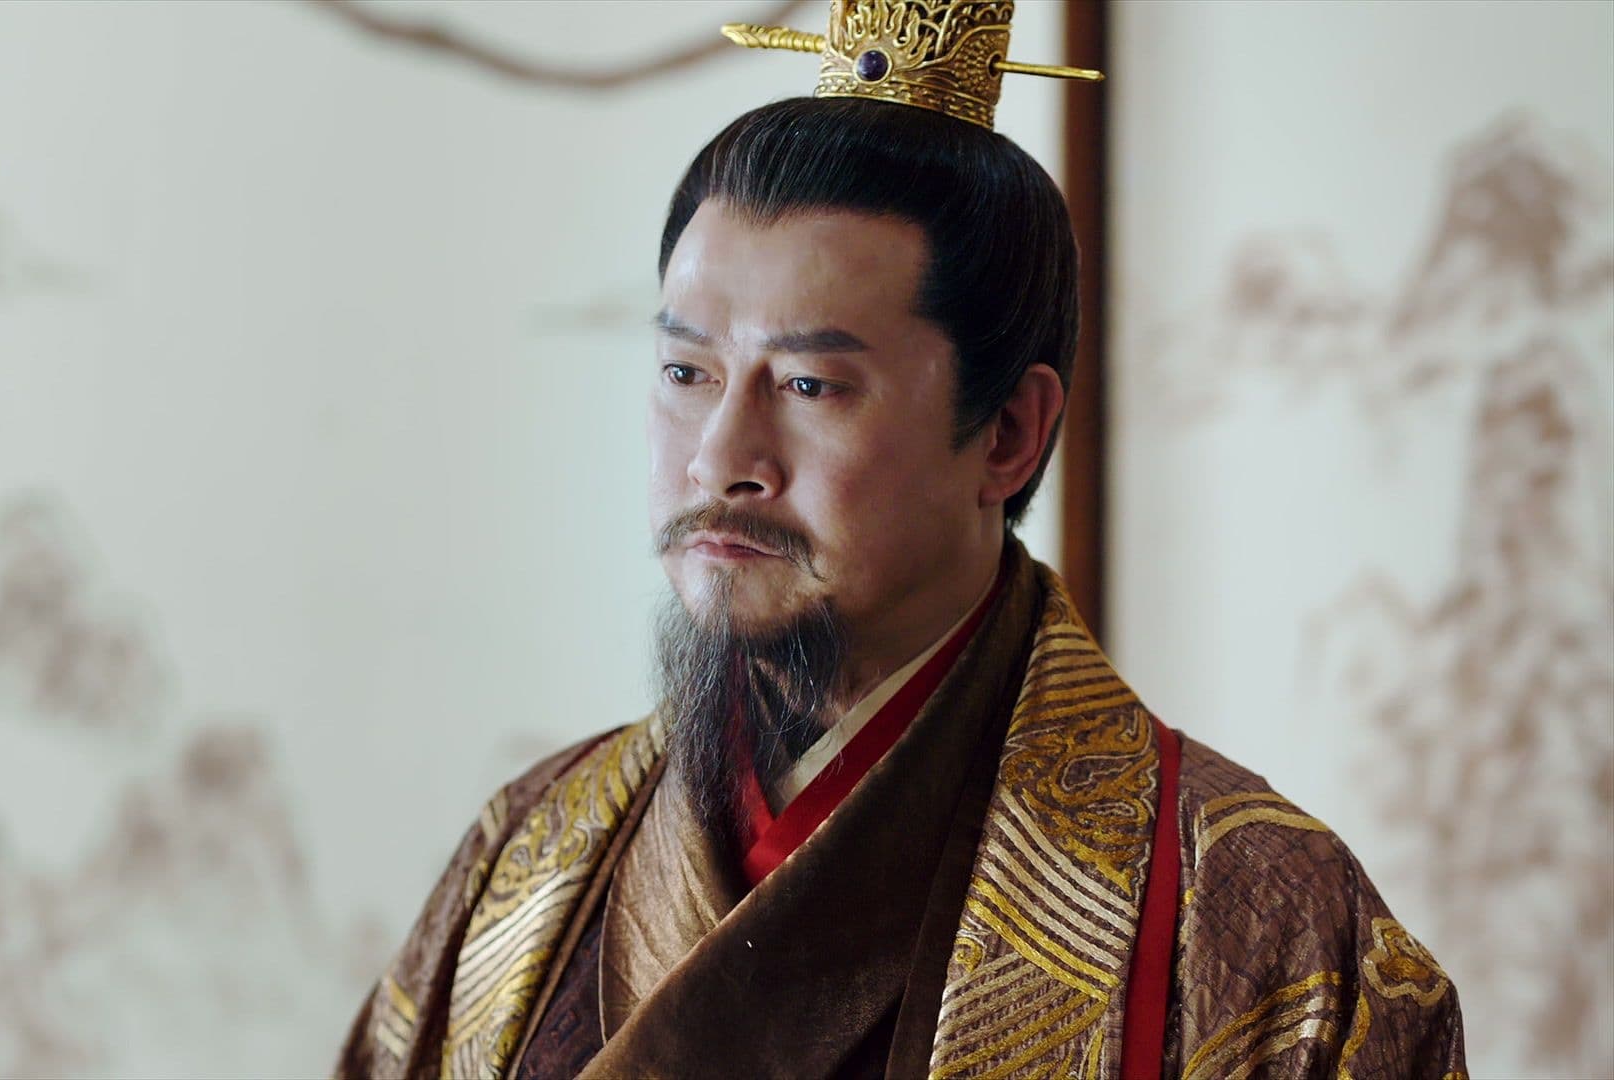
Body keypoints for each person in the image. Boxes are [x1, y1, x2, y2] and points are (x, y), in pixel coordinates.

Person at [338, 2, 1467, 1076]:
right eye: (687, 372)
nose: (722, 457)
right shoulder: (528, 858)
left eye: (811, 384)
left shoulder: (1260, 920)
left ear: (1008, 434)